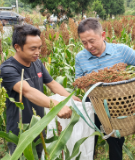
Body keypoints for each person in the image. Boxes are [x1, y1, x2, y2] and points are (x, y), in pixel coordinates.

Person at [75, 18, 135, 160]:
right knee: (89, 142)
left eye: (92, 41)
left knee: (115, 143)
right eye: (84, 42)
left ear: (103, 35)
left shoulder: (120, 50)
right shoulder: (80, 58)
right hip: (95, 107)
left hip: (118, 108)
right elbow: (79, 81)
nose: (88, 46)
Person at [0, 24, 81, 159]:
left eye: (39, 48)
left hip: (39, 126)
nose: (38, 52)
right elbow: (27, 91)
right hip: (20, 131)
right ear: (17, 47)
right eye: (33, 49)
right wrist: (55, 105)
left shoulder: (37, 62)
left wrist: (71, 97)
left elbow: (52, 83)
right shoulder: (8, 69)